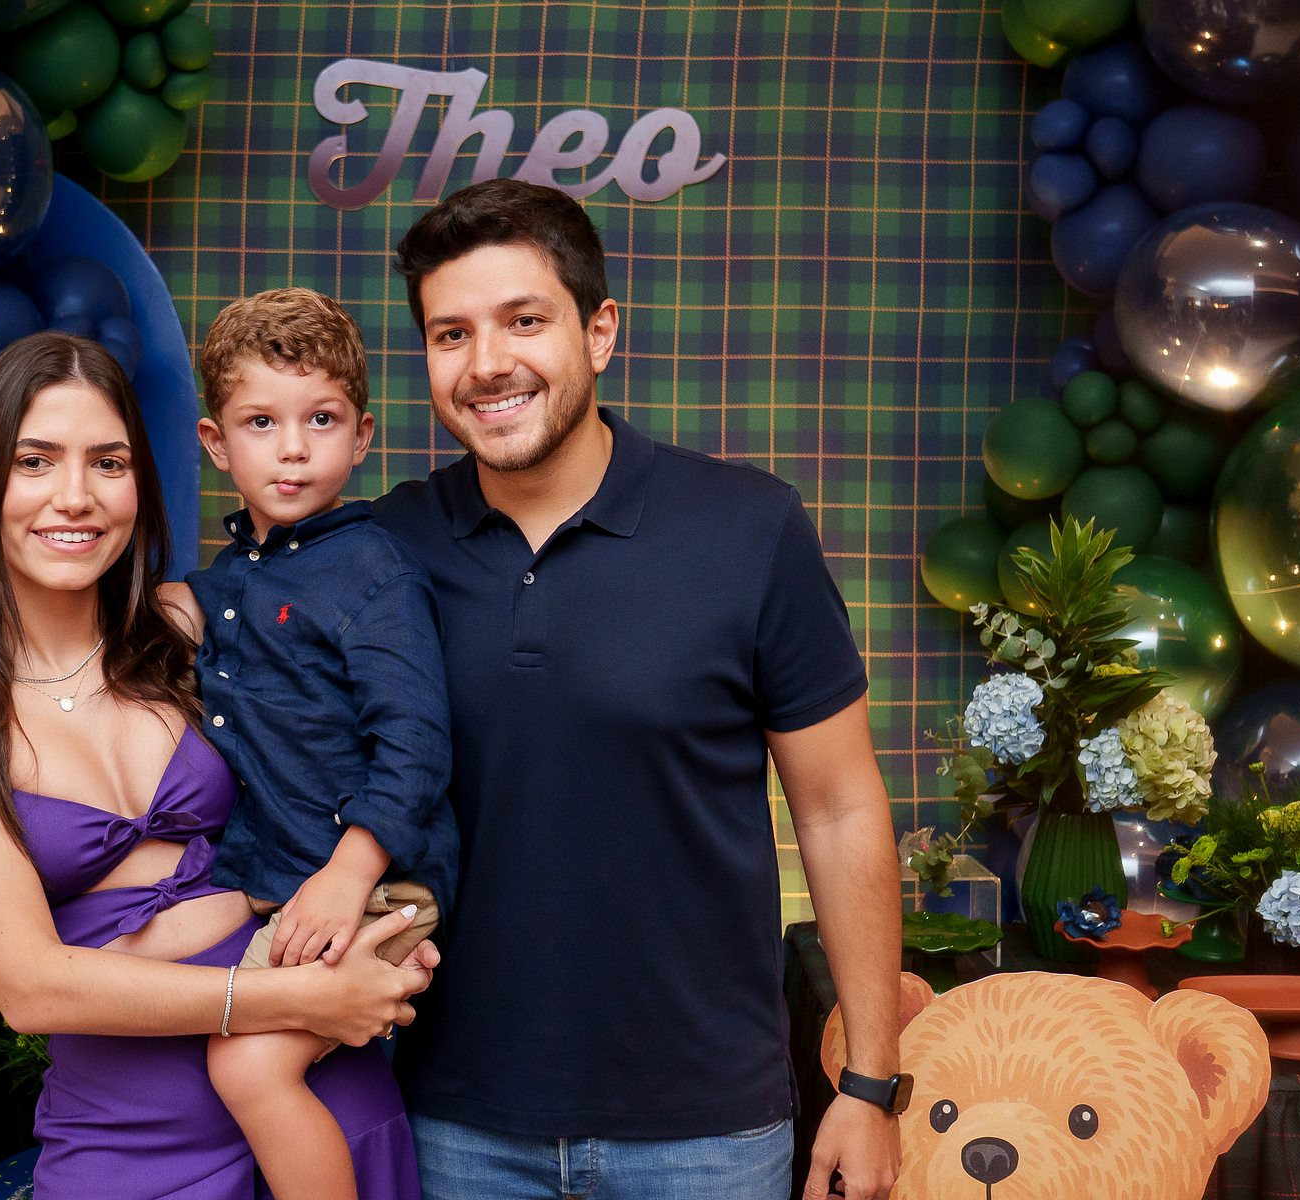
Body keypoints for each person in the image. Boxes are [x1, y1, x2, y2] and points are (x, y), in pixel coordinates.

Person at [373, 179, 904, 1200]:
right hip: (452, 1125)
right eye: (451, 334)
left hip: (707, 1134)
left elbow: (840, 807)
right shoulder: (384, 550)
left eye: (525, 320)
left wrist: (871, 1083)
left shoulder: (751, 528)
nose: (487, 364)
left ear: (600, 331)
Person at [0, 331, 436, 1199]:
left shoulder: (194, 629)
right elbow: (31, 988)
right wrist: (302, 1000)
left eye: (109, 462)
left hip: (329, 1105)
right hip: (130, 1144)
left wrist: (393, 916)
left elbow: (383, 729)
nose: (76, 496)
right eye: (34, 461)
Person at [161, 288, 457, 1200]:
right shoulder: (225, 583)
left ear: (361, 436)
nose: (292, 448)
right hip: (274, 877)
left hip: (373, 888)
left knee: (248, 1067)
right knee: (140, 958)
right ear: (217, 443)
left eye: (320, 420)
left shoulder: (374, 572)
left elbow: (415, 742)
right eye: (262, 423)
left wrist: (349, 875)